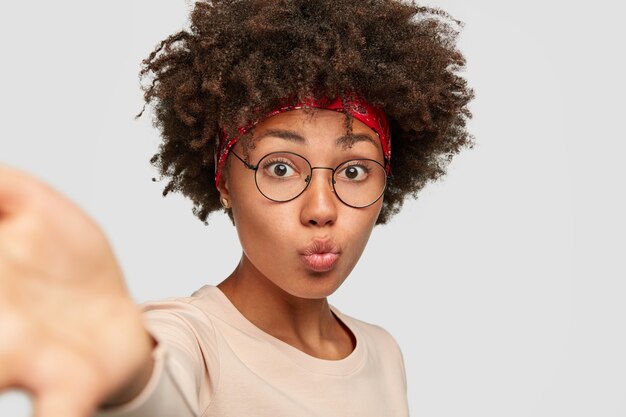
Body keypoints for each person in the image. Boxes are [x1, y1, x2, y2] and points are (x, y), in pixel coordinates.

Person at [0, 0, 474, 416]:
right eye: (281, 168)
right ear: (224, 180)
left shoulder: (383, 353)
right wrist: (129, 381)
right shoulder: (190, 340)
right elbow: (157, 384)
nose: (322, 209)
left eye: (353, 171)